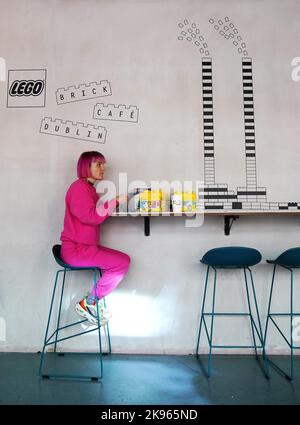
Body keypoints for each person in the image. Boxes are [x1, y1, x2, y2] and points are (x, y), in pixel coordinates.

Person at [60, 151, 131, 325]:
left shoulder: (88, 188)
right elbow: (91, 217)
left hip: (85, 248)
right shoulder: (79, 188)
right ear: (86, 166)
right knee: (121, 264)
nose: (103, 168)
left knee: (123, 260)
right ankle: (89, 303)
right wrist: (115, 201)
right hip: (76, 250)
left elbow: (92, 214)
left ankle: (90, 302)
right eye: (98, 164)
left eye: (103, 164)